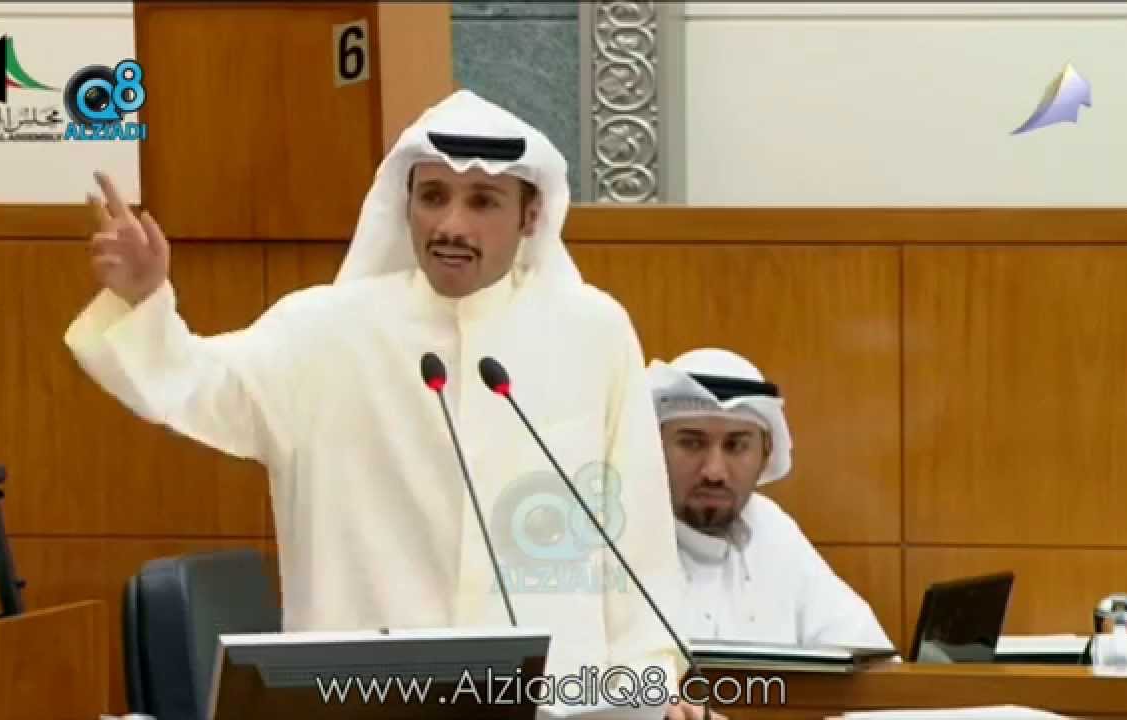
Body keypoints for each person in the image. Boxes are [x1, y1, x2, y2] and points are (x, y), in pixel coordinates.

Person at [67, 90, 706, 716]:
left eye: (483, 201)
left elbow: (636, 532)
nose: (451, 225)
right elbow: (197, 384)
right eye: (433, 197)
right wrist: (144, 301)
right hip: (362, 700)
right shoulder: (327, 330)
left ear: (531, 215)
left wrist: (653, 680)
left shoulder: (590, 332)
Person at [647, 348, 892, 650]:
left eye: (736, 446)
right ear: (653, 448)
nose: (714, 472)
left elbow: (869, 653)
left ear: (765, 455)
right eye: (691, 443)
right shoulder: (614, 535)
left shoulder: (771, 527)